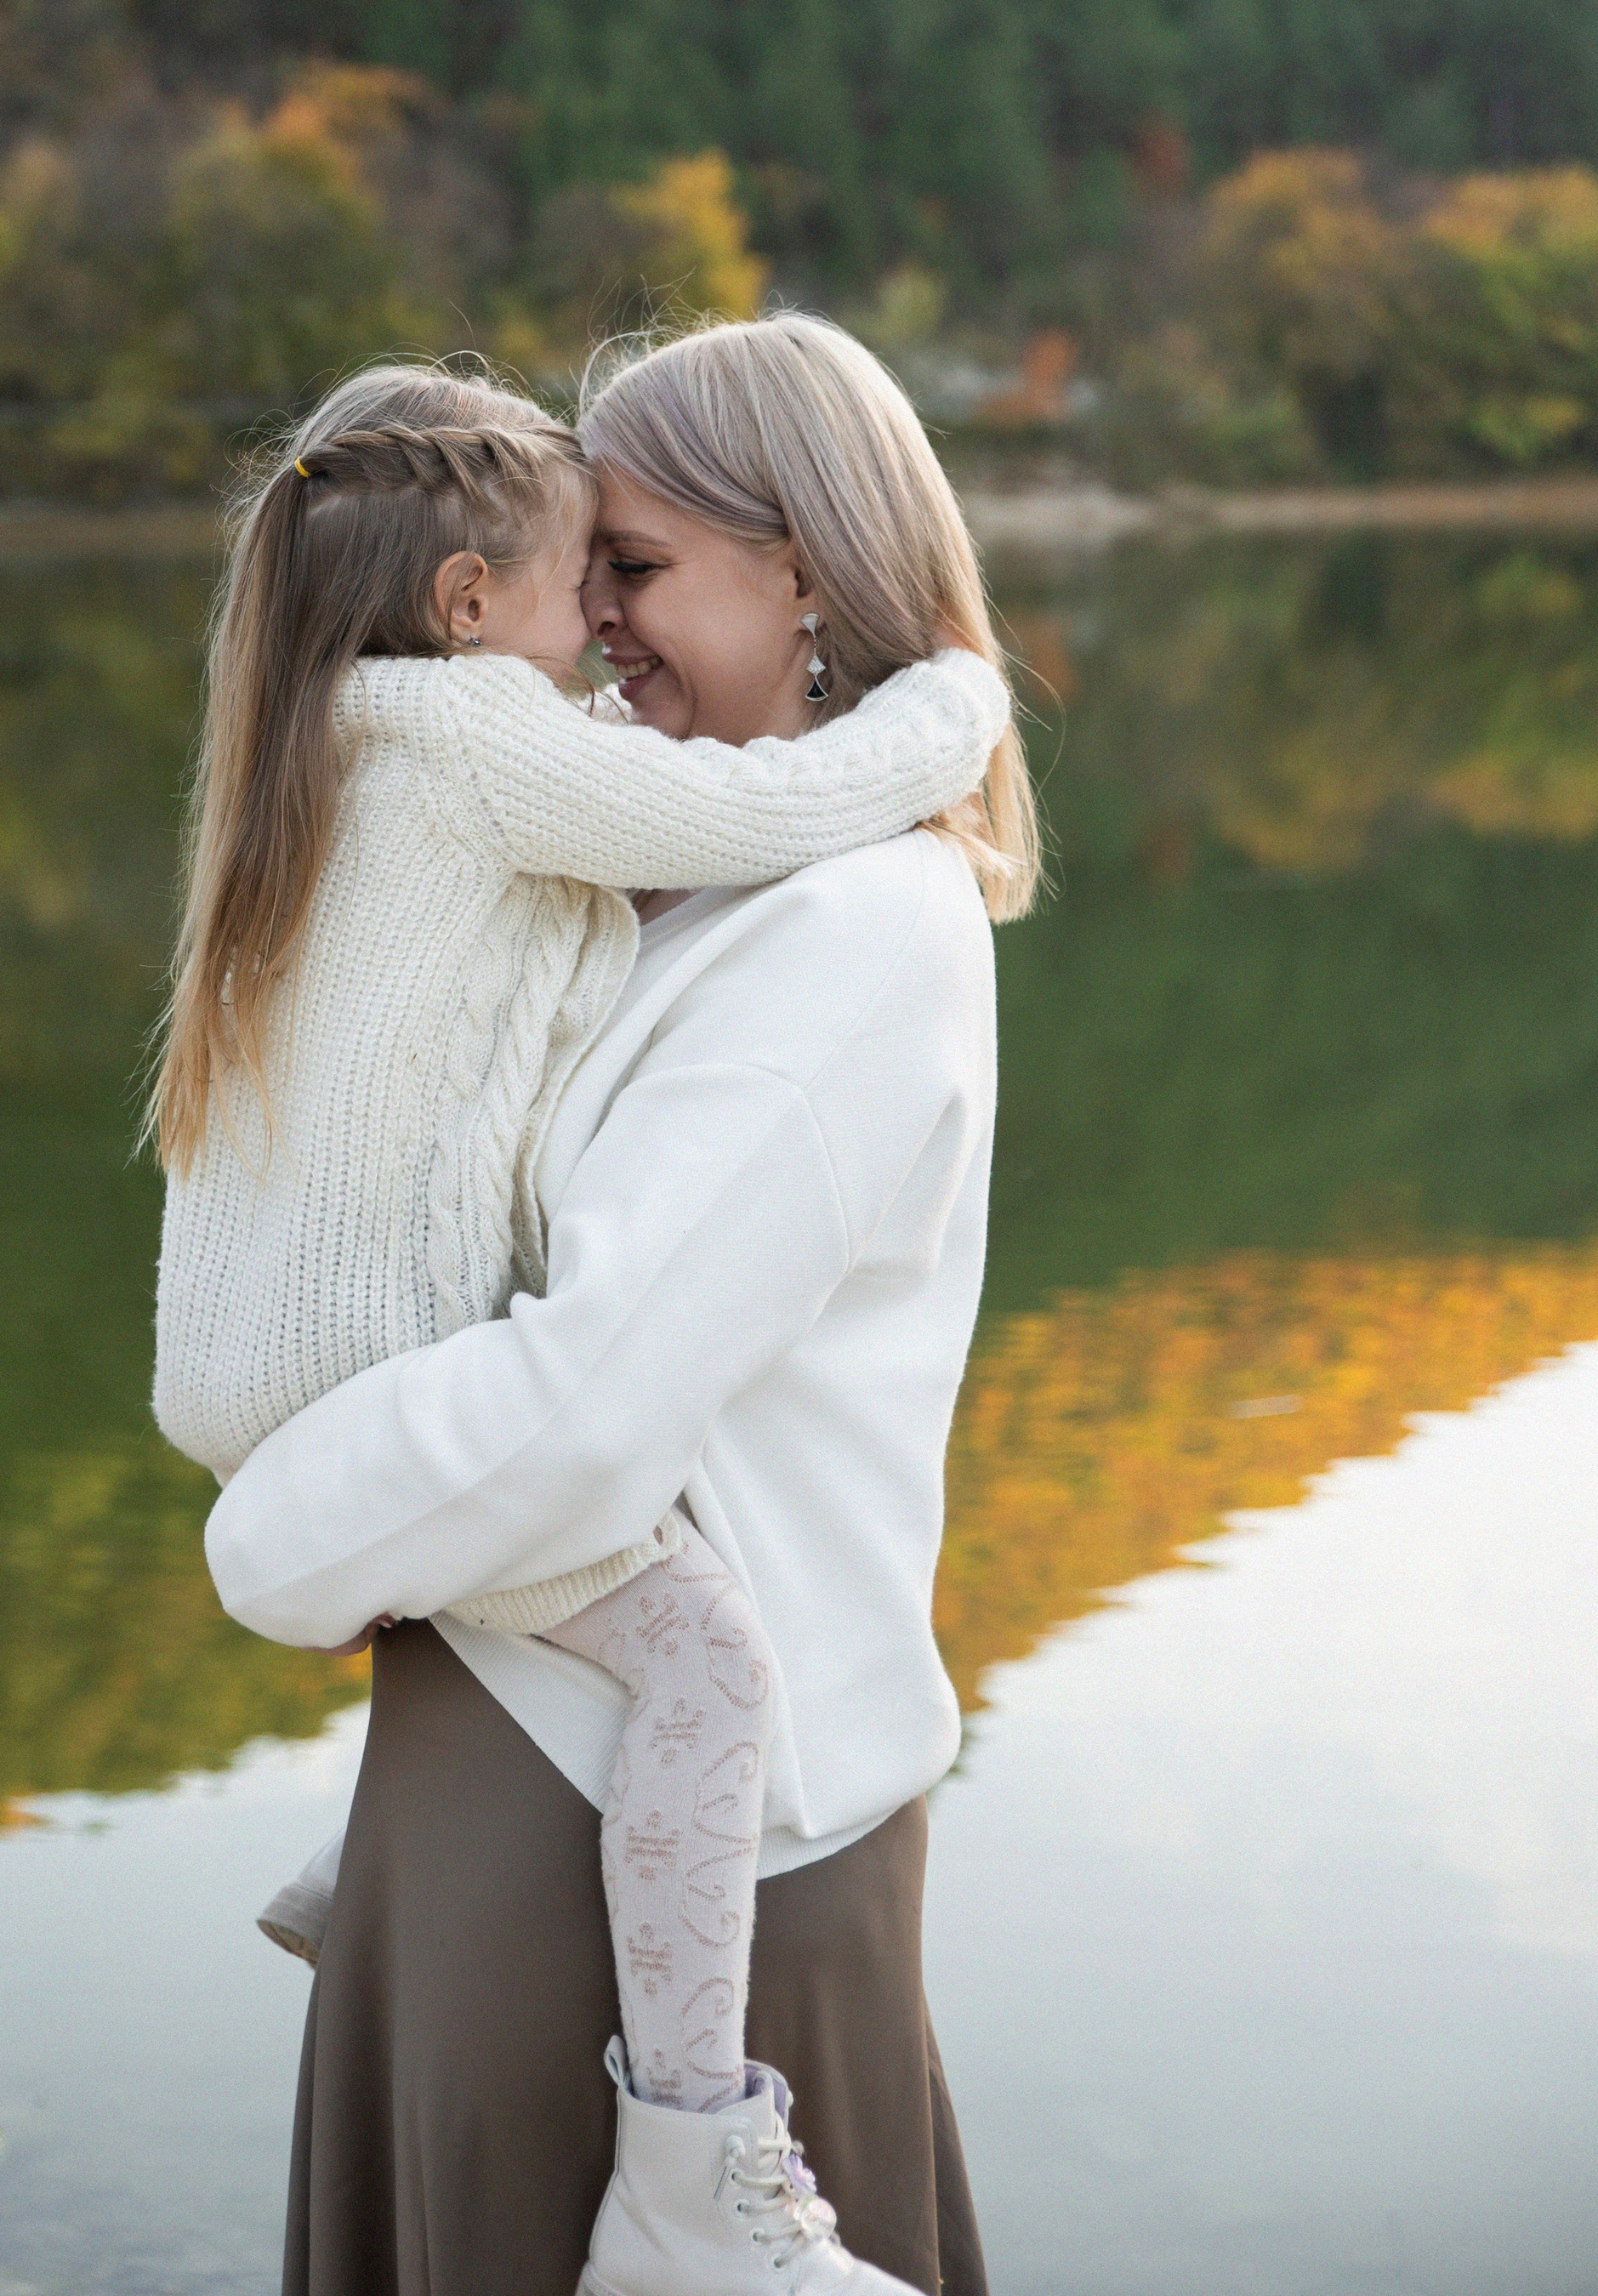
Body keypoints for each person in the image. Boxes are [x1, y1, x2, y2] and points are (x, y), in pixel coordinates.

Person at [151, 356, 1010, 2293]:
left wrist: (283, 1528)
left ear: (809, 576)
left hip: (663, 1846)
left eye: (629, 560)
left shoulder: (853, 926)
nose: (589, 617)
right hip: (522, 1772)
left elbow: (584, 1412)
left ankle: (693, 2160)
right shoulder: (644, 881)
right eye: (575, 566)